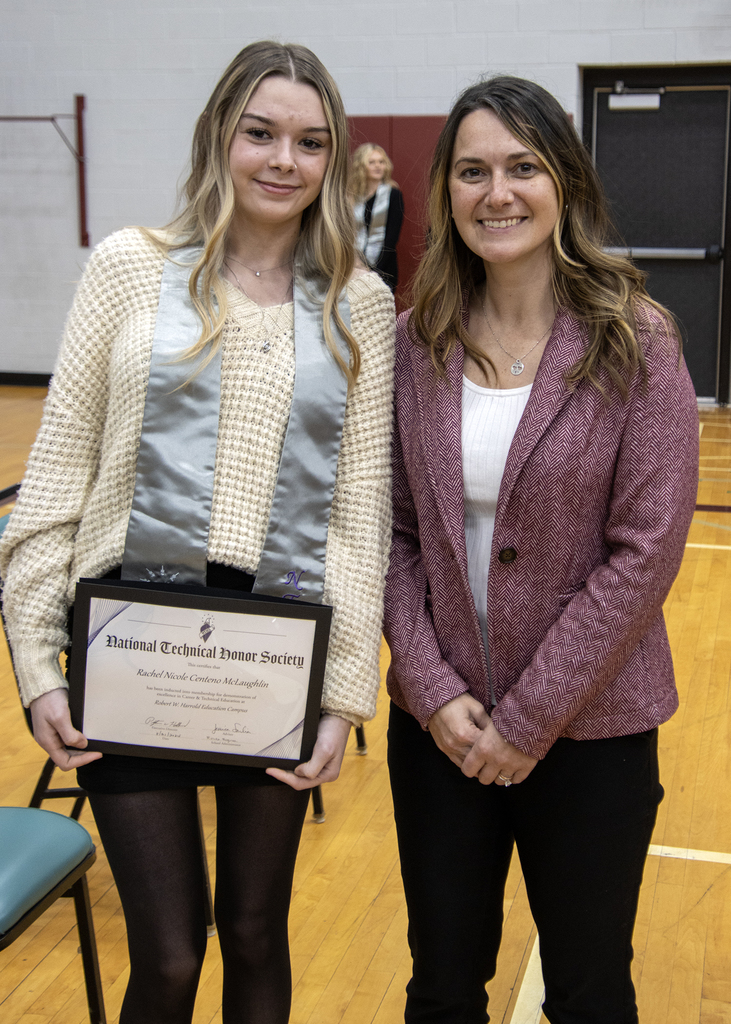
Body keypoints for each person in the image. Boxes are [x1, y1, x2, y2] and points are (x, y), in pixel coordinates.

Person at [0, 41, 395, 1024]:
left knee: (256, 933)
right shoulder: (131, 268)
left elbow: (359, 511)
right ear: (220, 136)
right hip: (135, 642)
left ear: (333, 159)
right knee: (169, 956)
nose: (281, 160)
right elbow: (57, 470)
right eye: (259, 133)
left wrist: (343, 694)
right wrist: (39, 664)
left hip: (274, 651)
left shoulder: (362, 305)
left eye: (309, 142)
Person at [383, 75, 698, 1024]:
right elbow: (391, 536)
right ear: (447, 192)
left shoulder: (635, 341)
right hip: (439, 733)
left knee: (591, 990)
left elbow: (643, 554)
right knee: (441, 987)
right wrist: (434, 695)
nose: (498, 192)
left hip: (591, 729)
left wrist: (526, 721)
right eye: (473, 171)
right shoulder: (415, 342)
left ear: (562, 178)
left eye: (522, 166)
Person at [351, 143, 404, 292]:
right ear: (361, 166)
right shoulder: (352, 197)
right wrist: (358, 266)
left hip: (384, 267)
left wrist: (375, 271)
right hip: (355, 267)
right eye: (372, 162)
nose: (378, 166)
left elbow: (392, 238)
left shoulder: (393, 195)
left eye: (381, 162)